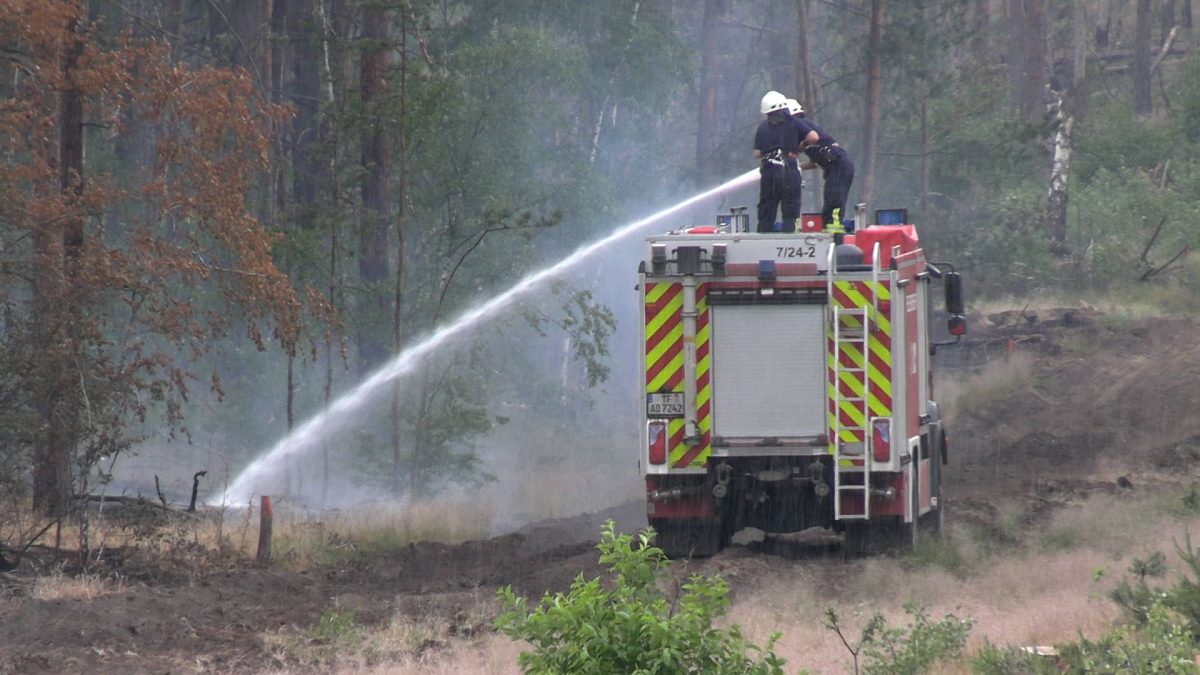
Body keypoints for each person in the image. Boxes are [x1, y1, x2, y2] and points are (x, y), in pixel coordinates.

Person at [795, 115, 854, 234]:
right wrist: (796, 167)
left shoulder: (802, 127)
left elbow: (811, 139)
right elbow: (814, 163)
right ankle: (831, 234)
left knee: (833, 205)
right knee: (829, 206)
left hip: (837, 165)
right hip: (837, 166)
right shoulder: (808, 133)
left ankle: (834, 239)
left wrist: (800, 145)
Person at [752, 90, 801, 233]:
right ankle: (789, 240)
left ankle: (763, 240)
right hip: (788, 172)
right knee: (790, 211)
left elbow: (756, 154)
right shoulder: (793, 124)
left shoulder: (762, 127)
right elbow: (812, 138)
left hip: (768, 173)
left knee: (766, 211)